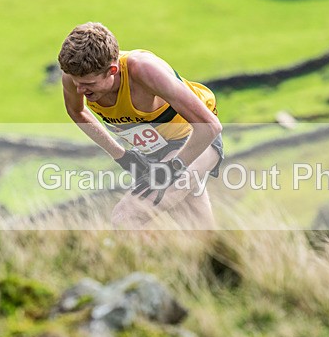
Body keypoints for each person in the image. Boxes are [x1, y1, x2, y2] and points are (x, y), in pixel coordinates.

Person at [58, 22, 224, 229]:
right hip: (156, 150)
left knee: (126, 217)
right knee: (199, 230)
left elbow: (210, 126)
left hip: (197, 141)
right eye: (76, 82)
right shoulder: (75, 76)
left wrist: (173, 167)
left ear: (112, 70)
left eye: (89, 85)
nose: (80, 90)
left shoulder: (145, 71)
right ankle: (220, 259)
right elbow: (78, 111)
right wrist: (122, 155)